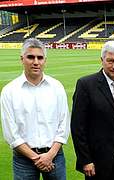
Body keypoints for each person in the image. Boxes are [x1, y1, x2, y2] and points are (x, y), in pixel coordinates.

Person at [71, 40, 114, 179]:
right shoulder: (85, 85)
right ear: (102, 60)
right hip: (96, 162)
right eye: (110, 61)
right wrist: (85, 160)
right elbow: (77, 126)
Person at [0, 38, 70, 180]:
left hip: (54, 156)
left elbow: (64, 123)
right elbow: (11, 133)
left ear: (45, 60)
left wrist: (50, 155)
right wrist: (37, 158)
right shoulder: (9, 91)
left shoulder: (57, 87)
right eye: (30, 57)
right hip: (23, 159)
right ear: (22, 59)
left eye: (40, 57)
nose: (36, 62)